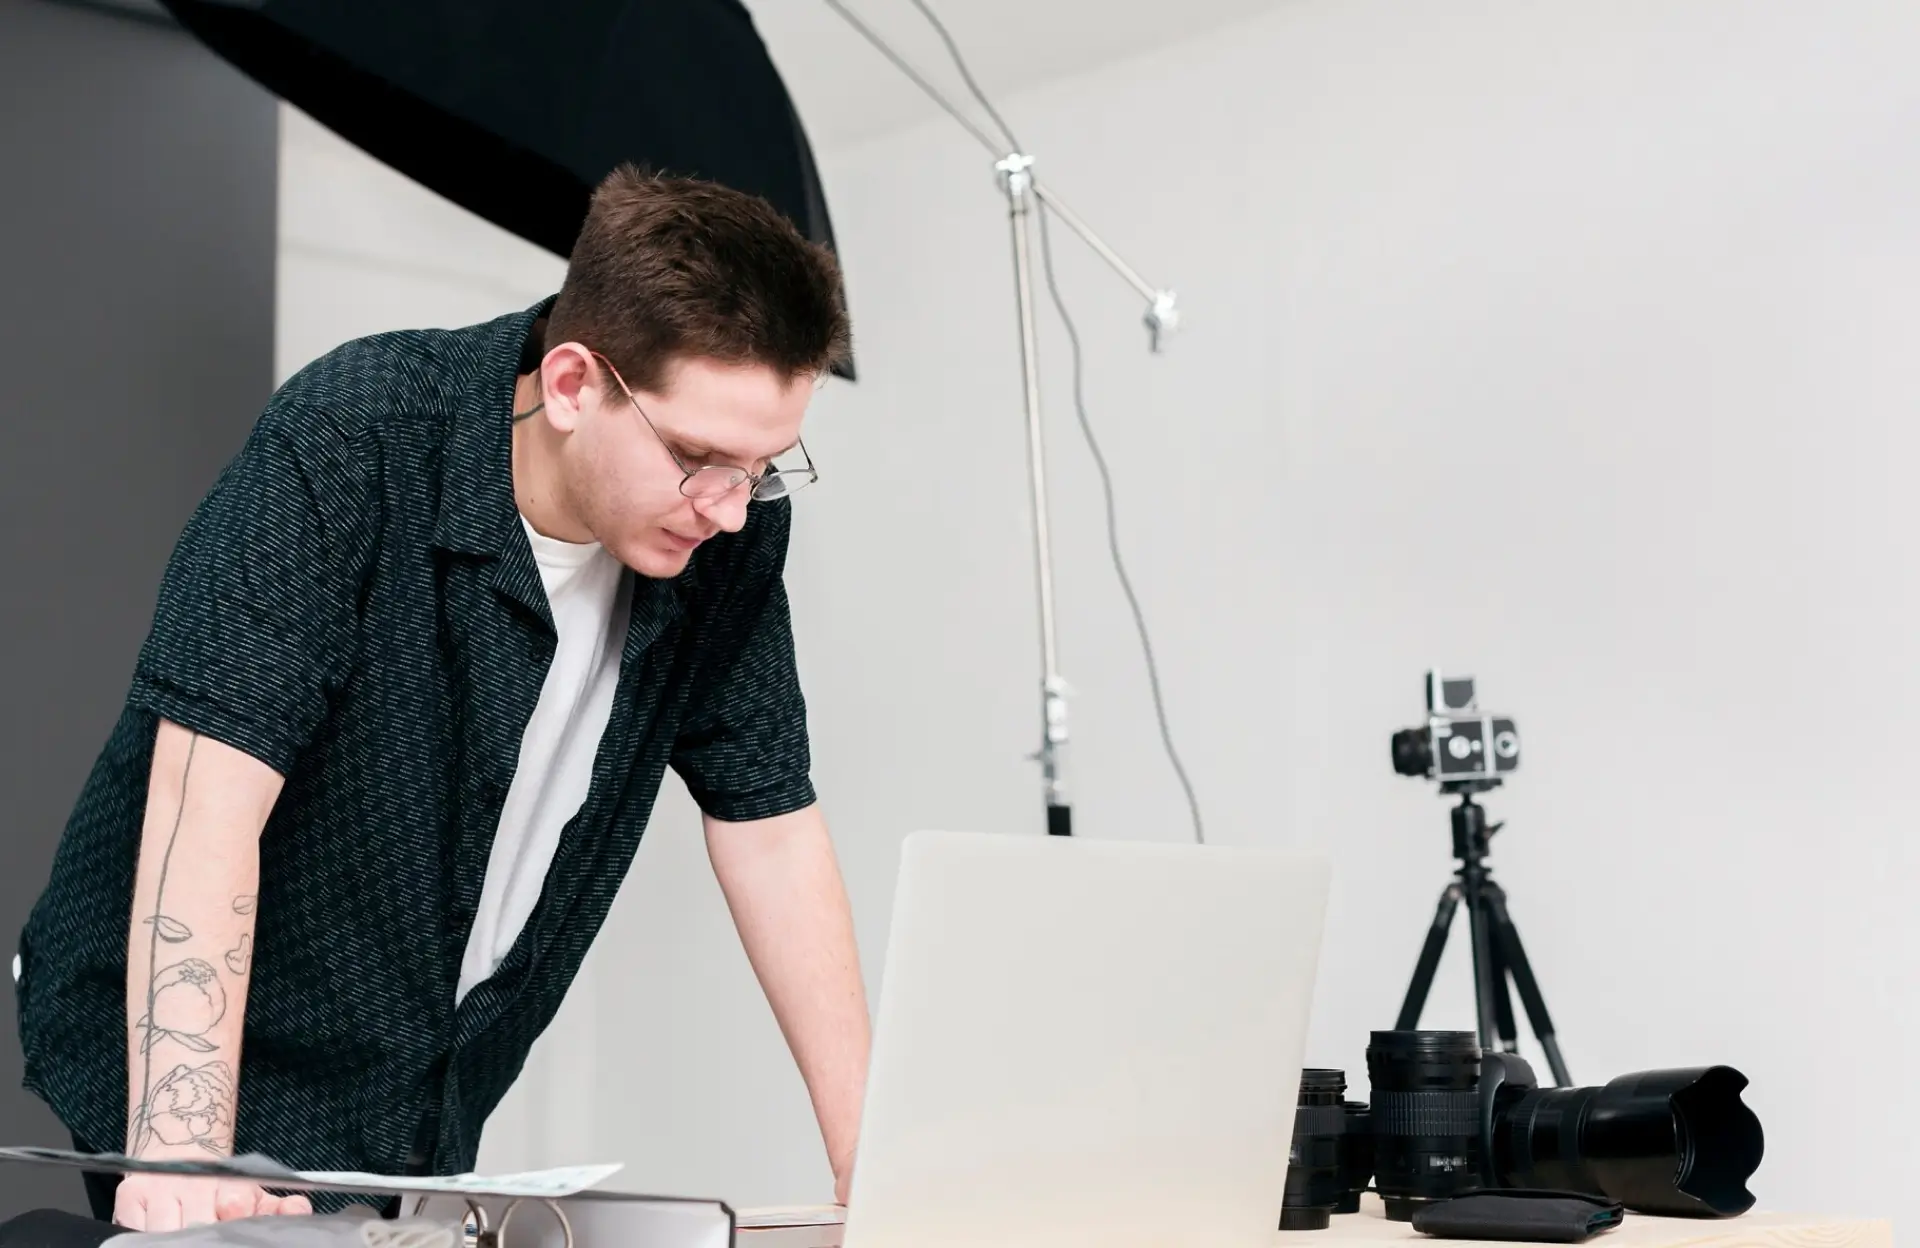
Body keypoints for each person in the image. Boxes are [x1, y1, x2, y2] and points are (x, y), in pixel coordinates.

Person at [13, 166, 871, 1231]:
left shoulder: (725, 534)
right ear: (571, 385)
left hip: (427, 1072)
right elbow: (206, 793)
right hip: (205, 1049)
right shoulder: (358, 436)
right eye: (697, 457)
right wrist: (185, 1154)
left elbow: (772, 827)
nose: (728, 510)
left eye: (762, 468)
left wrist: (875, 1161)